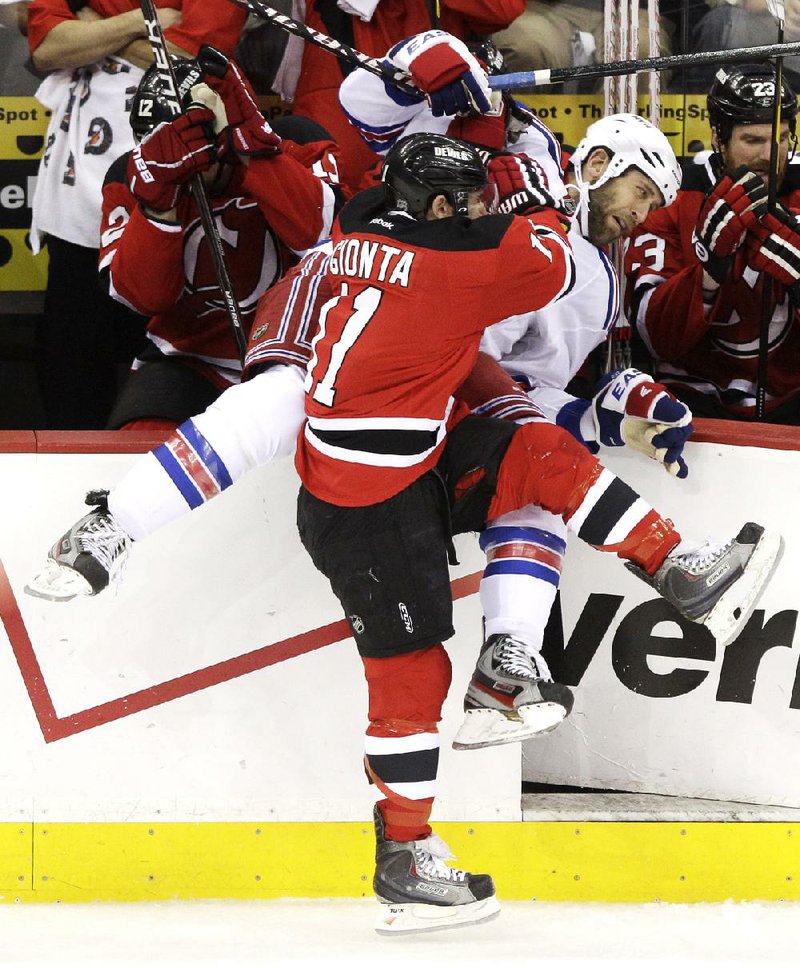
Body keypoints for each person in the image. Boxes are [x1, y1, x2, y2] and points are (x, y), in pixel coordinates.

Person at [292, 132, 780, 932]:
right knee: (409, 680)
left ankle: (678, 573)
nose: (487, 211)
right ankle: (406, 853)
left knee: (542, 451)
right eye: (474, 202)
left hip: (414, 453)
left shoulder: (365, 229)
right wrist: (534, 199)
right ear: (444, 209)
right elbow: (548, 255)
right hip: (362, 505)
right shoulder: (456, 269)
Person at [26, 0, 246, 429]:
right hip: (79, 192)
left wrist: (93, 29)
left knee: (166, 346)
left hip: (178, 175)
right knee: (73, 360)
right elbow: (48, 46)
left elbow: (194, 57)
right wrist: (141, 23)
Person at [100, 51, 341, 433]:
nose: (177, 153)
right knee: (139, 439)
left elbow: (325, 240)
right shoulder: (131, 174)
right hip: (190, 358)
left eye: (187, 137)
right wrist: (158, 205)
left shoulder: (296, 139)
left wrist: (251, 151)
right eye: (158, 142)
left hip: (300, 353)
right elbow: (143, 299)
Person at [626, 62, 800, 422]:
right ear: (717, 137)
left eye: (781, 137)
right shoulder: (671, 197)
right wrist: (709, 271)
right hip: (691, 408)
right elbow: (657, 339)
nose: (771, 154)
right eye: (753, 140)